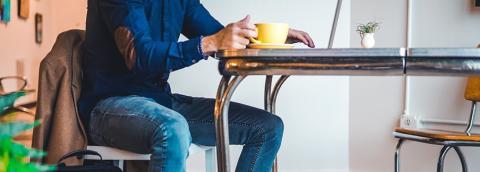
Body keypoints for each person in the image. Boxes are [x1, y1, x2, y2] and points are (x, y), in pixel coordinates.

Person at [79, 0, 315, 171]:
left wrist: (270, 40)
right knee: (172, 129)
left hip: (161, 102)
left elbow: (220, 37)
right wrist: (209, 43)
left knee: (267, 128)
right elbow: (140, 57)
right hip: (109, 108)